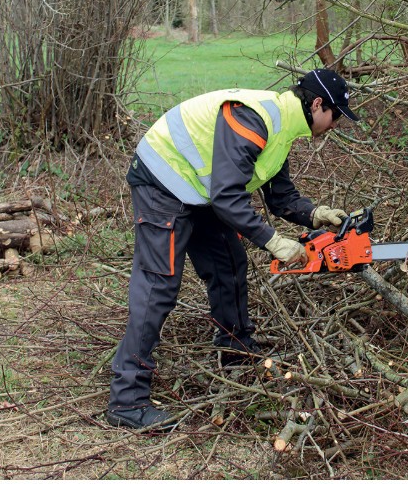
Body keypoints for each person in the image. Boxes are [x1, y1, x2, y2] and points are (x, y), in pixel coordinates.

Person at [106, 68, 360, 429]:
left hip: (199, 189)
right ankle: (127, 401)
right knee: (158, 286)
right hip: (164, 180)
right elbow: (227, 195)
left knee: (228, 263)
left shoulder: (283, 127)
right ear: (318, 104)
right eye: (335, 115)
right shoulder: (253, 118)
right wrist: (273, 242)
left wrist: (315, 214)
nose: (335, 124)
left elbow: (280, 195)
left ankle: (236, 351)